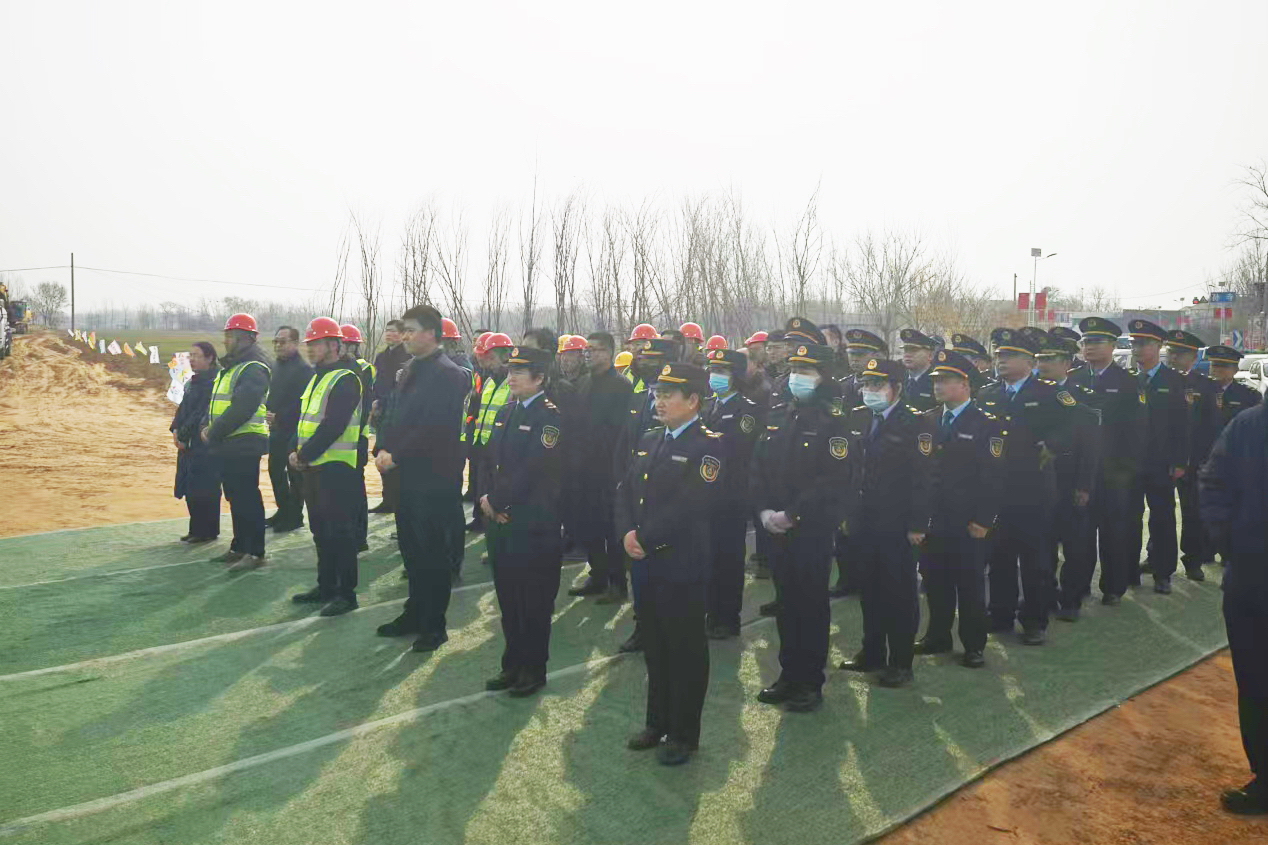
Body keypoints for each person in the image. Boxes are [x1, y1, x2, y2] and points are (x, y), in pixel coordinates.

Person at [617, 362, 722, 765]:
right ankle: (656, 722)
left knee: (685, 650)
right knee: (656, 646)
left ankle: (683, 734)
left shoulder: (708, 446)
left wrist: (644, 539)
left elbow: (692, 505)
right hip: (645, 563)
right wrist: (627, 532)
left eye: (668, 395)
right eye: (657, 394)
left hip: (681, 564)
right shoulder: (650, 438)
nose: (659, 401)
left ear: (693, 400)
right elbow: (625, 491)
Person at [752, 341, 856, 710]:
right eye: (794, 370)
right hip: (775, 527)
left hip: (810, 528)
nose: (797, 377)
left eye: (806, 371)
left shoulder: (835, 421)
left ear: (823, 376)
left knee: (810, 606)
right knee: (786, 604)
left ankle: (810, 682)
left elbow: (832, 480)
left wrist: (792, 514)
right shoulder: (780, 413)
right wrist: (764, 510)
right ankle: (788, 674)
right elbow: (759, 466)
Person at [374, 304, 471, 652]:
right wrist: (382, 447)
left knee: (432, 552)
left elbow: (434, 427)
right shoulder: (409, 369)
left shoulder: (449, 374)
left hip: (434, 477)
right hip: (406, 476)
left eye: (411, 330)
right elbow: (393, 413)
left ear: (431, 333)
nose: (404, 336)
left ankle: (434, 624)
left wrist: (396, 454)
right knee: (411, 549)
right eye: (403, 330)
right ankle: (414, 612)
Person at [977, 327, 1076, 644]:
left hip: (1034, 489)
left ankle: (1034, 620)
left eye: (1010, 356)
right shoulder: (988, 394)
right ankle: (1000, 613)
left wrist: (1054, 445)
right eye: (999, 355)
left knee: (1035, 560)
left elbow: (1075, 425)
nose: (1001, 361)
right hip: (997, 489)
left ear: (1029, 361)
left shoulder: (1048, 393)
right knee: (999, 557)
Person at [839, 357, 933, 687]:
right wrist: (848, 514)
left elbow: (923, 479)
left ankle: (901, 662)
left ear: (897, 388)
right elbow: (851, 471)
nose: (870, 390)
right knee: (870, 590)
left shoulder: (916, 423)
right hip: (865, 520)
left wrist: (918, 524)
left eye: (877, 385)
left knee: (899, 594)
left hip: (898, 523)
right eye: (866, 384)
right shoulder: (859, 417)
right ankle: (872, 652)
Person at [481, 345, 565, 698]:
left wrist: (497, 501)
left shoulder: (550, 418)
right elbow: (489, 461)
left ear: (540, 378)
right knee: (509, 599)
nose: (511, 376)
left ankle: (533, 669)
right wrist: (486, 499)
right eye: (510, 370)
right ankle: (511, 664)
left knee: (534, 602)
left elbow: (534, 468)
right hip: (501, 521)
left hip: (533, 523)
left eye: (519, 371)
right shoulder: (507, 410)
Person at [1201, 399, 1268, 816]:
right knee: (1256, 680)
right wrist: (1231, 542)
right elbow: (1213, 481)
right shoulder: (1249, 424)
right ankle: (1265, 778)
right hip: (1252, 576)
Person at [916, 350, 1004, 668]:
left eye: (946, 380)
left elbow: (993, 478)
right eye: (936, 380)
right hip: (933, 520)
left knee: (969, 586)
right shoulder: (927, 419)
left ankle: (973, 644)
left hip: (967, 521)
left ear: (965, 384)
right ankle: (937, 636)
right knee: (935, 582)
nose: (938, 386)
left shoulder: (985, 424)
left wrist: (983, 520)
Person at [1065, 317, 1148, 607]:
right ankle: (1079, 586)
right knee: (1080, 534)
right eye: (1086, 342)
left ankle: (1113, 586)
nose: (1089, 347)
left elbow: (1137, 431)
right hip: (1080, 471)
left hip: (1115, 471)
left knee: (1114, 531)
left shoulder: (1128, 382)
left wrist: (1127, 470)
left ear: (1112, 346)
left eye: (1096, 342)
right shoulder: (1074, 379)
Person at [289, 317, 364, 616]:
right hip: (314, 467)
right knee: (321, 530)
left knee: (340, 533)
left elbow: (334, 425)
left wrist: (304, 454)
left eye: (316, 344)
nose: (310, 349)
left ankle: (346, 594)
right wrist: (297, 452)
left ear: (334, 345)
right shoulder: (317, 377)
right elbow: (306, 420)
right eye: (309, 344)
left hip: (336, 468)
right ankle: (326, 586)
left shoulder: (346, 378)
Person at [1035, 331, 1102, 622]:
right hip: (1039, 481)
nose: (1042, 364)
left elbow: (1091, 446)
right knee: (1042, 543)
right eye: (1039, 359)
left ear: (1066, 363)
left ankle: (1071, 598)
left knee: (1075, 545)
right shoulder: (1033, 393)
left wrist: (1085, 485)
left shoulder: (1082, 396)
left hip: (1069, 479)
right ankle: (1045, 594)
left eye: (1049, 359)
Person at [702, 348, 765, 639]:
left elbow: (735, 451)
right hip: (706, 496)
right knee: (709, 557)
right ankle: (710, 612)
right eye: (712, 370)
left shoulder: (746, 410)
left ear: (736, 376)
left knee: (728, 558)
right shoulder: (707, 406)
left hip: (731, 496)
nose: (714, 376)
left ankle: (727, 618)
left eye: (722, 371)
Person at [1124, 319, 1189, 594]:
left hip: (1161, 463)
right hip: (1129, 463)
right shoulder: (1126, 379)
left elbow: (1182, 426)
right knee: (1129, 517)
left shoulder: (1174, 381)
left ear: (1158, 346)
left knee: (1162, 517)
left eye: (1143, 344)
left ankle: (1163, 571)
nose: (1137, 349)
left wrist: (1180, 461)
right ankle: (1128, 570)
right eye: (1134, 344)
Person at [568, 331, 635, 603]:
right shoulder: (583, 383)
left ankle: (618, 583)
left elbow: (623, 433)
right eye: (587, 349)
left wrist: (619, 470)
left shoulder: (622, 386)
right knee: (589, 524)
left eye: (594, 349)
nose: (588, 354)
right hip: (582, 469)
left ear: (608, 352)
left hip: (608, 470)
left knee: (611, 528)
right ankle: (597, 575)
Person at [203, 313, 272, 572]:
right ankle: (240, 546)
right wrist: (207, 426)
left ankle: (255, 552)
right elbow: (217, 403)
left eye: (230, 336)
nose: (226, 341)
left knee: (247, 498)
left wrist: (213, 431)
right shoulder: (233, 367)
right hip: (230, 442)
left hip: (245, 442)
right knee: (236, 497)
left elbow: (242, 408)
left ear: (246, 339)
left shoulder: (253, 368)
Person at [1165, 330, 1221, 581]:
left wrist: (1205, 461)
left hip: (1194, 459)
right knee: (1161, 511)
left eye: (1180, 354)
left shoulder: (1206, 386)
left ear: (1194, 357)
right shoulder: (1159, 380)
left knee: (1192, 512)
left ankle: (1192, 560)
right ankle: (1156, 557)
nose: (1173, 358)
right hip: (1163, 457)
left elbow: (1212, 426)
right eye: (1171, 352)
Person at [171, 342, 222, 543]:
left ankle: (207, 531)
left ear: (210, 358)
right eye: (190, 355)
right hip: (188, 443)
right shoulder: (193, 382)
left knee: (205, 489)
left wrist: (184, 436)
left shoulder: (215, 383)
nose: (191, 359)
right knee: (190, 487)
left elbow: (201, 414)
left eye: (196, 356)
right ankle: (196, 529)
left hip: (204, 444)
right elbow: (183, 409)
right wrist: (175, 429)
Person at [265, 326, 312, 532]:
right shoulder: (276, 366)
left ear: (295, 343)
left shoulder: (304, 370)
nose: (278, 346)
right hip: (276, 430)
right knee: (275, 471)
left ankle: (294, 516)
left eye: (282, 342)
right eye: (276, 341)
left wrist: (280, 416)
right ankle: (283, 510)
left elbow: (303, 403)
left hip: (294, 431)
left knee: (295, 476)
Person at [466, 332, 513, 533]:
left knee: (496, 491)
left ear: (506, 356)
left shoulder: (511, 384)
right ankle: (481, 521)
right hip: (483, 445)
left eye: (491, 358)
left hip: (500, 448)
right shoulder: (489, 381)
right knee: (482, 487)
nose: (488, 362)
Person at [339, 324, 375, 553]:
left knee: (354, 488)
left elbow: (363, 405)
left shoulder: (363, 369)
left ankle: (359, 536)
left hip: (356, 437)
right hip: (343, 440)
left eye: (342, 344)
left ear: (352, 346)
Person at [370, 319, 411, 515]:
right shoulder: (381, 357)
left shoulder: (407, 357)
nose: (389, 334)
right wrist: (375, 401)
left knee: (396, 457)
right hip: (381, 412)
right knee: (381, 453)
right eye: (387, 330)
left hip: (398, 412)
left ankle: (398, 500)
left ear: (402, 335)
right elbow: (377, 383)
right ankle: (387, 499)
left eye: (394, 331)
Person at [1207, 345, 1262, 433]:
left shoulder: (1250, 395)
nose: (1218, 369)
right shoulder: (1201, 391)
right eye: (1214, 365)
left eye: (1224, 366)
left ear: (1236, 370)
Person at [899, 329, 938, 412]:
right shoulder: (897, 378)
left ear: (930, 355)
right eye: (906, 350)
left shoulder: (937, 381)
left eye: (914, 350)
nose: (907, 354)